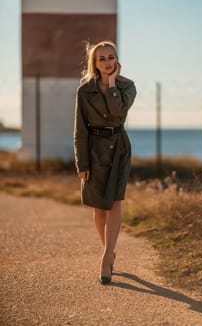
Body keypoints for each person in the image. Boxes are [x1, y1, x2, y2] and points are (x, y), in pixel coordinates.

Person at [73, 41, 137, 284]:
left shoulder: (127, 86)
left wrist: (111, 84)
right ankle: (108, 251)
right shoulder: (83, 90)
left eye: (111, 57)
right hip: (94, 151)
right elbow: (79, 129)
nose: (108, 62)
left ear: (117, 60)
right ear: (94, 63)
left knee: (115, 203)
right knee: (99, 209)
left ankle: (106, 256)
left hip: (119, 149)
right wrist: (82, 163)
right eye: (102, 58)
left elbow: (118, 113)